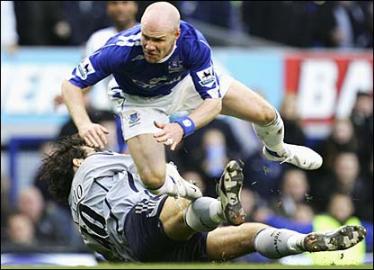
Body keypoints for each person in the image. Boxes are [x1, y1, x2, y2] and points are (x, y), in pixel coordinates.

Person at [61, 2, 323, 198]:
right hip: (141, 100)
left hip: (186, 85)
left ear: (175, 35)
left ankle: (278, 150)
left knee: (266, 114)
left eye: (158, 40)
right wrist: (84, 124)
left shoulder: (193, 43)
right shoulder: (118, 48)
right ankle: (184, 187)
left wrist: (182, 126)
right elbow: (71, 84)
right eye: (146, 38)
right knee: (153, 179)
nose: (150, 46)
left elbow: (213, 102)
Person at [38, 134, 365, 262]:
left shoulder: (79, 219)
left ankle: (305, 242)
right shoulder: (92, 165)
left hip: (146, 254)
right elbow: (148, 166)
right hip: (137, 223)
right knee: (181, 202)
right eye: (90, 149)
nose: (98, 149)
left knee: (249, 235)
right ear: (77, 160)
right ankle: (224, 208)